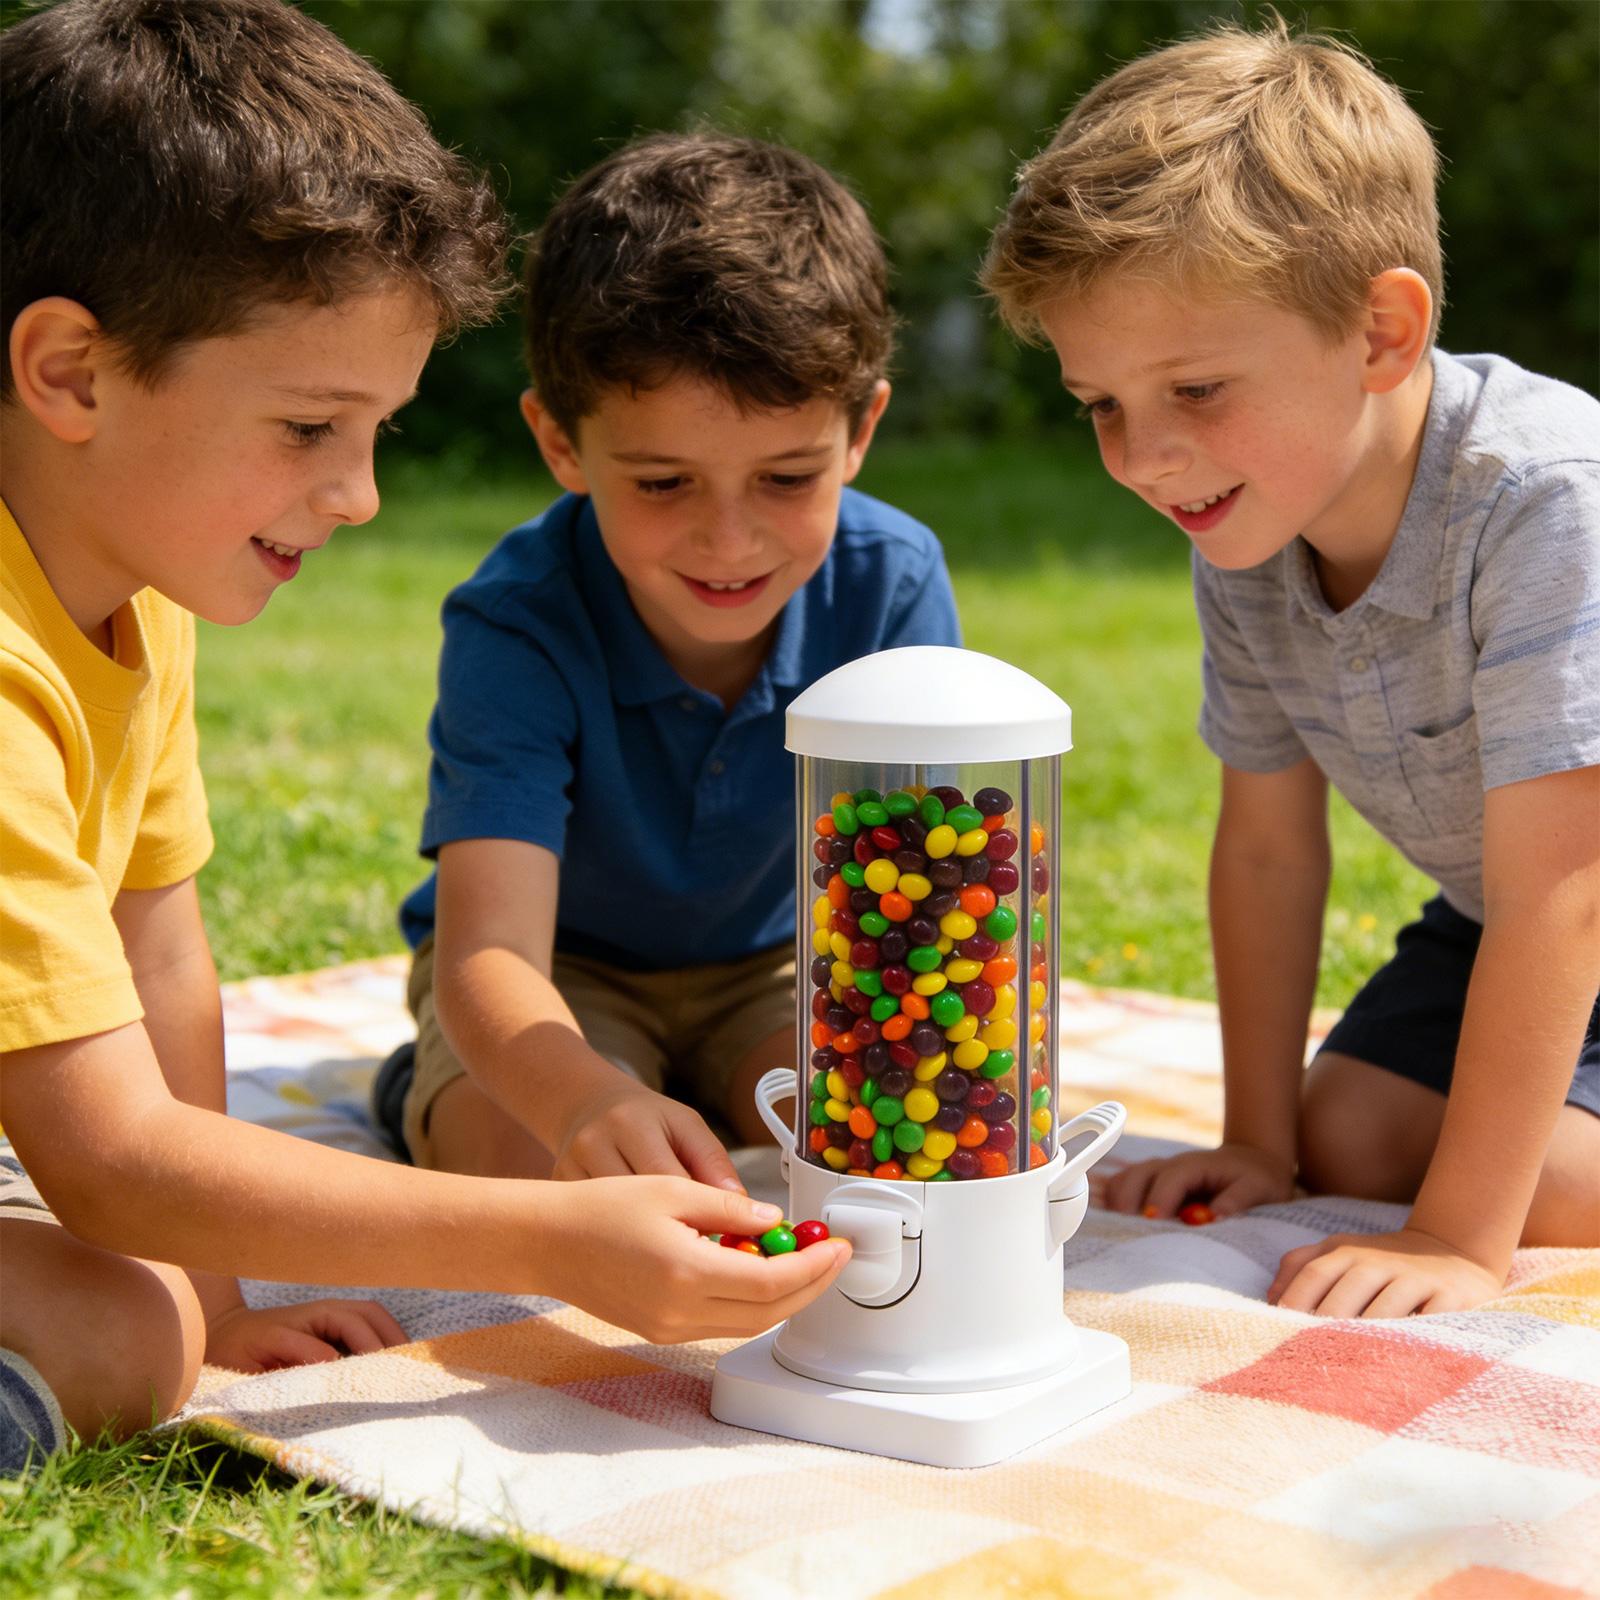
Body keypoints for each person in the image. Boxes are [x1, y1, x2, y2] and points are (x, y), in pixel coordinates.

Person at [0, 0, 847, 1473]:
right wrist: (555, 1240)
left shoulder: (131, 590)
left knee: (156, 1323)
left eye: (374, 432)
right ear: (70, 372)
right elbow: (108, 1153)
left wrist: (218, 1294)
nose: (360, 496)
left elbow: (160, 950)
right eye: (311, 428)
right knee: (118, 1342)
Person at [981, 20, 1599, 1317]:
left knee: (1530, 1188)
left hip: (1564, 903)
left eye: (1195, 388)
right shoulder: (1249, 534)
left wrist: (1456, 1242)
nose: (1145, 455)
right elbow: (1266, 842)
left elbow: (1569, 897)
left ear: (1381, 329)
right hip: (1506, 916)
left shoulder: (1544, 499)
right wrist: (1256, 1139)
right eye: (1102, 404)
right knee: (1351, 1138)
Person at [374, 133, 961, 1185]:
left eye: (786, 478)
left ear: (859, 428)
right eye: (660, 483)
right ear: (561, 443)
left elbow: (915, 905)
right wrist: (587, 1098)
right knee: (529, 1162)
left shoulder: (892, 582)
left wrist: (893, 1069)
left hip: (781, 971)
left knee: (889, 1134)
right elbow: (491, 953)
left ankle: (682, 1087)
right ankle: (432, 1082)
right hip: (560, 972)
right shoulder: (518, 622)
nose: (728, 541)